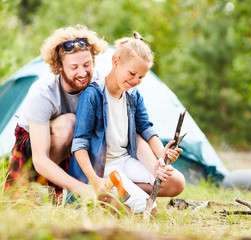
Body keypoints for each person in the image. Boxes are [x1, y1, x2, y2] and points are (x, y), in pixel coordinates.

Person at [67, 32, 186, 213]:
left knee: (176, 182)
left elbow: (146, 128)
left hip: (126, 161)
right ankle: (105, 193)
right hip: (103, 168)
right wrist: (94, 180)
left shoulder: (133, 95)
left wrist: (162, 153)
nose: (135, 81)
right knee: (149, 210)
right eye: (132, 73)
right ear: (116, 62)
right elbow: (79, 144)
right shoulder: (93, 94)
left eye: (141, 77)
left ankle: (121, 194)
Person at [4, 25, 108, 198]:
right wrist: (83, 190)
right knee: (70, 123)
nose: (82, 73)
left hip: (75, 149)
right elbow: (40, 160)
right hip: (35, 148)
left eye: (87, 64)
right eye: (74, 67)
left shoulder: (99, 85)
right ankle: (37, 189)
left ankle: (68, 193)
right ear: (59, 66)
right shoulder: (43, 92)